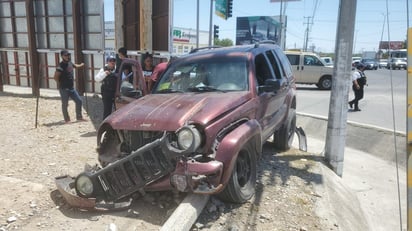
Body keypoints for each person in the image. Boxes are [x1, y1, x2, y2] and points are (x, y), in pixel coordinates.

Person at [53, 49, 87, 123]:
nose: (67, 56)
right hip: (64, 88)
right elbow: (55, 77)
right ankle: (67, 119)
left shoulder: (70, 63)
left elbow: (75, 66)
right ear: (62, 56)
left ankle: (79, 117)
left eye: (68, 55)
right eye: (66, 55)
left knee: (79, 101)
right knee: (65, 104)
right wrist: (60, 83)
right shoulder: (60, 66)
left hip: (71, 88)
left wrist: (81, 65)